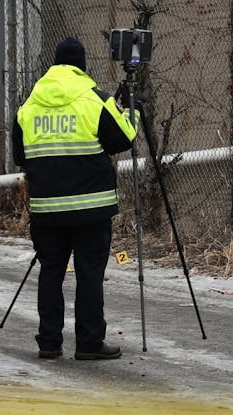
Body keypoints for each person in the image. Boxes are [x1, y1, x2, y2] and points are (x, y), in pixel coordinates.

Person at [12, 37, 139, 360]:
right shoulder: (94, 100)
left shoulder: (29, 106)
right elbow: (123, 139)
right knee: (89, 274)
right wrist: (131, 111)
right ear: (82, 67)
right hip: (90, 210)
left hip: (47, 210)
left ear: (53, 66)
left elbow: (19, 156)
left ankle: (49, 343)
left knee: (51, 272)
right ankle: (89, 343)